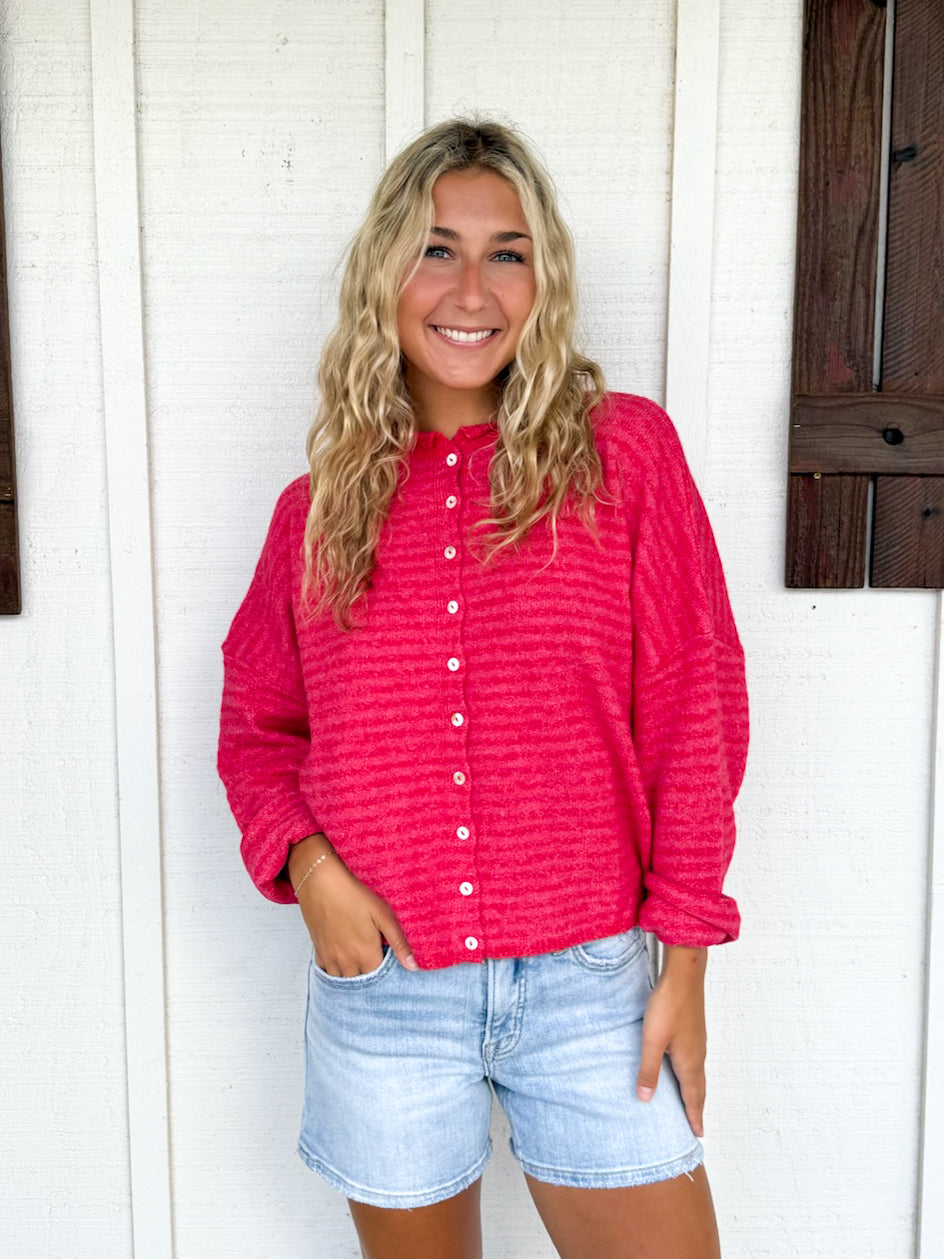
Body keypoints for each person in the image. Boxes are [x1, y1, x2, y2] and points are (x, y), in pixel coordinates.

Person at [218, 117, 748, 1259]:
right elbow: (258, 725)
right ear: (384, 277)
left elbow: (693, 705)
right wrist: (309, 867)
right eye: (435, 249)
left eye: (506, 252)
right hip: (386, 994)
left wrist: (687, 959)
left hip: (592, 987)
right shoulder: (317, 511)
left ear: (542, 280)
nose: (471, 290)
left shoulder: (623, 457)